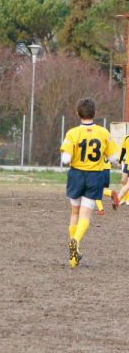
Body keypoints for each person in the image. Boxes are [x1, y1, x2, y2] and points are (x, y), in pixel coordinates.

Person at [60, 98, 119, 268]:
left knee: (75, 212)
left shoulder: (72, 133)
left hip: (76, 175)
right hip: (95, 176)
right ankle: (76, 243)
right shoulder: (103, 132)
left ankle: (73, 252)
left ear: (78, 113)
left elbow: (66, 159)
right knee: (85, 215)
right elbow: (114, 158)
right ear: (95, 113)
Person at [119, 135, 129, 205]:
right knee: (123, 181)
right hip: (127, 163)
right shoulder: (126, 137)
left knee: (128, 184)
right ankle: (124, 198)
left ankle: (127, 199)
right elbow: (123, 150)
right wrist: (120, 161)